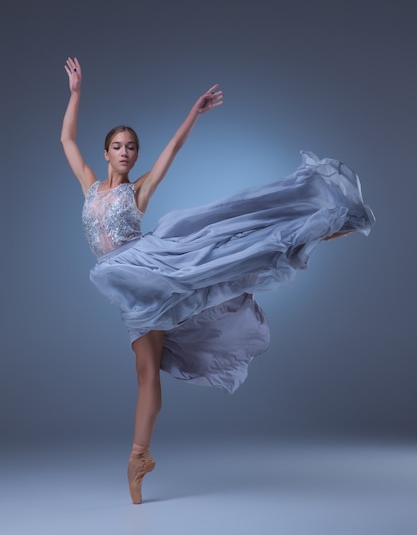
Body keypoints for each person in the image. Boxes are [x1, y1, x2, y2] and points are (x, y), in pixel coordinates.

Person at [61, 57, 375, 504]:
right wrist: (75, 95)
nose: (126, 152)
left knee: (231, 246)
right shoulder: (90, 187)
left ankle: (326, 224)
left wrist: (194, 113)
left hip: (153, 266)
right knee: (146, 372)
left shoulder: (138, 191)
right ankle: (142, 458)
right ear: (106, 151)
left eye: (132, 146)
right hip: (133, 292)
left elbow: (172, 148)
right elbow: (66, 139)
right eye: (118, 145)